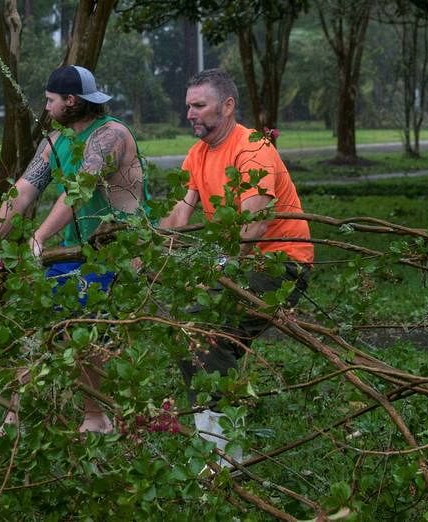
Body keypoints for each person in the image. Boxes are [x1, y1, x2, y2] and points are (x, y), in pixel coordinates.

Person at [159, 68, 314, 464]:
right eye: (188, 106)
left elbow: (253, 226)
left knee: (203, 332)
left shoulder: (253, 149)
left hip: (280, 264)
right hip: (234, 264)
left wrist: (212, 272)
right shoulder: (197, 154)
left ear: (227, 106)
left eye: (199, 105)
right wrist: (145, 245)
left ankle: (226, 457)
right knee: (193, 336)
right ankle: (216, 444)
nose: (190, 113)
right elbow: (178, 217)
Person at [0, 64, 148, 433]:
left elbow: (81, 187)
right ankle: (14, 415)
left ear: (71, 101)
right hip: (74, 252)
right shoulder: (54, 142)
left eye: (51, 100)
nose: (46, 107)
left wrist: (38, 237)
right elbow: (23, 191)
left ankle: (95, 417)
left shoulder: (111, 135)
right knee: (37, 320)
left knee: (84, 330)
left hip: (117, 251)